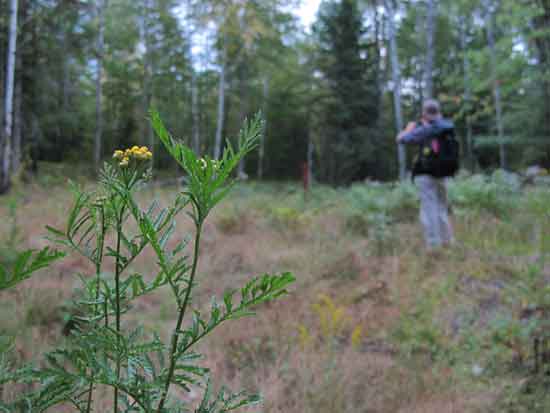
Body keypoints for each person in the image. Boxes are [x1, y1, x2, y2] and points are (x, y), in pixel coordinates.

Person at [396, 99, 455, 250]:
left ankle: (433, 246)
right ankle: (447, 241)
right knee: (441, 208)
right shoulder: (448, 126)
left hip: (426, 174)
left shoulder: (425, 129)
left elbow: (401, 139)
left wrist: (409, 129)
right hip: (444, 173)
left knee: (429, 209)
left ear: (424, 113)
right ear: (439, 112)